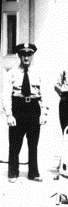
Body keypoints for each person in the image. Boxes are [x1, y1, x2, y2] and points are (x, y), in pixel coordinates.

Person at [2, 44, 48, 183]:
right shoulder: (12, 73)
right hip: (18, 107)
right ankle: (13, 172)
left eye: (29, 55)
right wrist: (9, 114)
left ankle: (33, 173)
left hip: (33, 107)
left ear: (32, 56)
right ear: (19, 56)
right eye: (23, 55)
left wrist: (44, 112)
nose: (26, 57)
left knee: (33, 142)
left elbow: (44, 93)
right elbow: (6, 95)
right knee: (15, 142)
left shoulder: (38, 72)